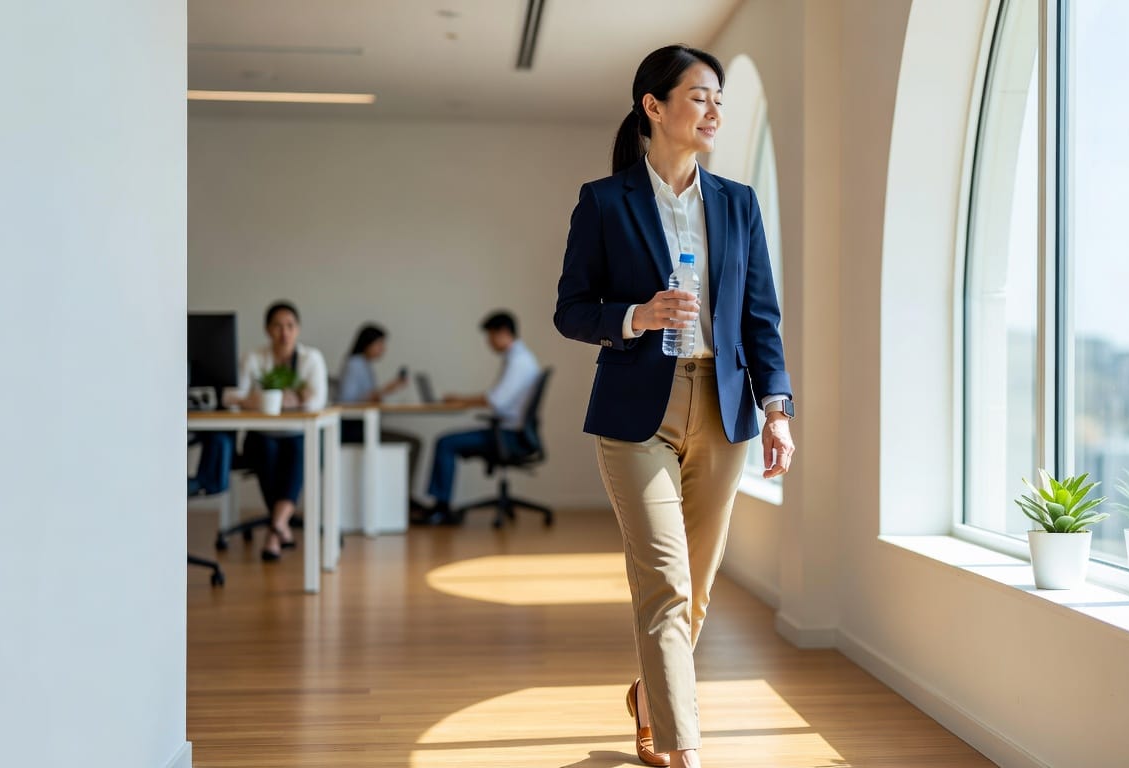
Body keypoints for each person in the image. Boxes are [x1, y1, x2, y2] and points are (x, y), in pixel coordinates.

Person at [553, 45, 796, 768]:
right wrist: (637, 315)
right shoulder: (604, 201)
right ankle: (684, 746)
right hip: (636, 413)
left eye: (720, 98)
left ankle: (648, 697)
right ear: (652, 108)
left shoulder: (738, 204)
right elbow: (571, 310)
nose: (715, 110)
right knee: (664, 580)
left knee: (696, 587)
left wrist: (777, 409)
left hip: (723, 410)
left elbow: (761, 318)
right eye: (699, 97)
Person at [223, 300, 329, 561]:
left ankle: (274, 530)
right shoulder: (254, 358)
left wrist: (272, 398)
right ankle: (281, 526)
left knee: (297, 449)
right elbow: (230, 396)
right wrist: (261, 400)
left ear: (298, 329)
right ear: (267, 330)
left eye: (290, 326)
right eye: (278, 326)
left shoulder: (310, 359)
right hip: (262, 435)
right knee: (266, 449)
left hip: (299, 434)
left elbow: (317, 400)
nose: (284, 332)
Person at [421, 311, 542, 525]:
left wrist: (460, 399)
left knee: (445, 443)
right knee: (447, 441)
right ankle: (440, 506)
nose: (488, 342)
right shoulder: (516, 358)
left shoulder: (519, 361)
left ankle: (441, 510)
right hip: (510, 431)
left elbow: (495, 401)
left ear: (503, 333)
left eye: (490, 336)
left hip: (509, 435)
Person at [337, 323, 424, 499]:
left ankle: (402, 495)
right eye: (379, 344)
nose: (383, 349)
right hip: (355, 431)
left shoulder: (365, 365)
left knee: (414, 442)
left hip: (366, 427)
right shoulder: (354, 364)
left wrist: (385, 392)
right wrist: (384, 391)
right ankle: (403, 497)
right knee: (413, 443)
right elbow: (346, 402)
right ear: (366, 344)